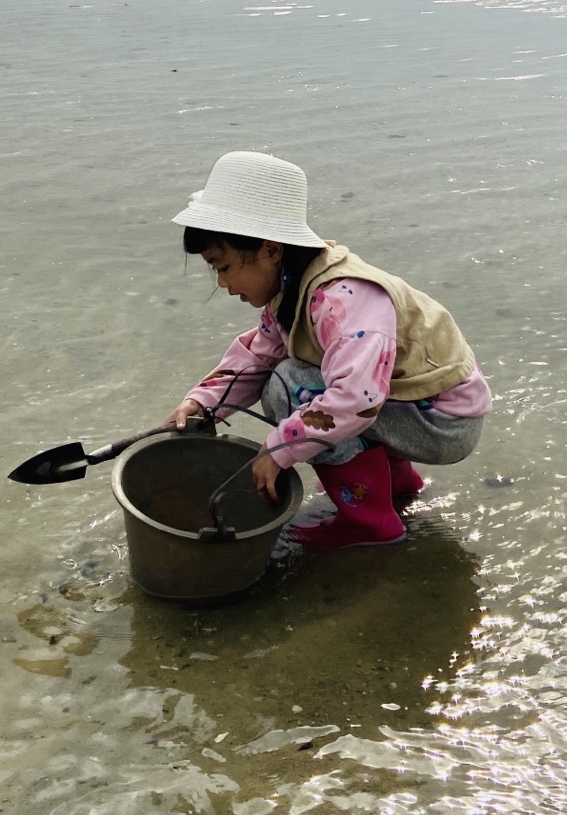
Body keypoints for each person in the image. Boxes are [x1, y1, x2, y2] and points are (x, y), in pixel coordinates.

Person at [164, 151, 491, 549]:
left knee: (288, 388)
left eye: (224, 266)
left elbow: (358, 399)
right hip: (413, 404)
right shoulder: (291, 289)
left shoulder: (341, 299)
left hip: (444, 421)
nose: (222, 283)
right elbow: (256, 356)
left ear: (270, 250)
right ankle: (399, 487)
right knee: (289, 374)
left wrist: (278, 449)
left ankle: (371, 522)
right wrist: (201, 402)